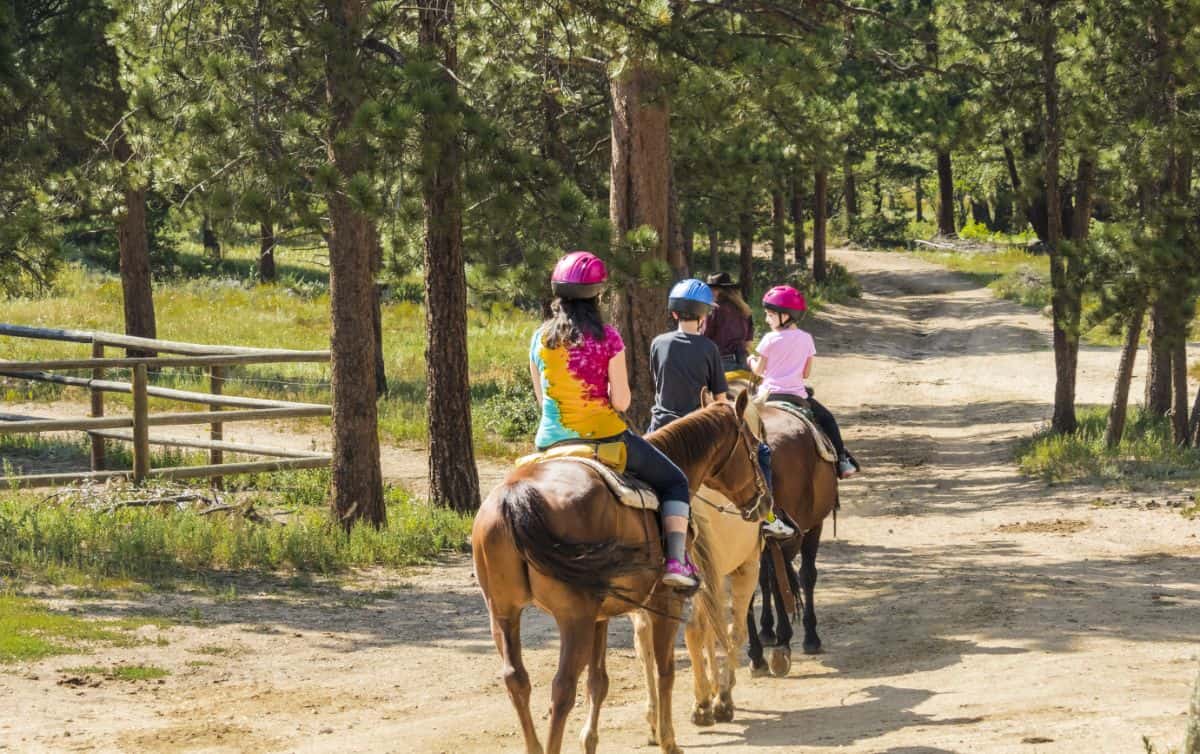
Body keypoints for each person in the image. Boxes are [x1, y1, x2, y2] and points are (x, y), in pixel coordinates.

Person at [529, 251, 699, 589]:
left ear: (557, 294)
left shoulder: (539, 338)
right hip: (603, 438)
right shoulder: (609, 339)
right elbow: (621, 401)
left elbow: (542, 397)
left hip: (549, 440)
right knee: (675, 481)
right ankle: (676, 561)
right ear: (598, 296)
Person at [750, 285, 858, 480]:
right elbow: (806, 373)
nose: (767, 319)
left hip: (767, 395)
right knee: (827, 419)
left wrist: (750, 361)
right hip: (797, 397)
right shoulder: (807, 339)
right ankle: (842, 460)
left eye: (770, 315)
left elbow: (759, 370)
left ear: (786, 315)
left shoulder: (769, 339)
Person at [648, 279, 729, 433]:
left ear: (674, 313)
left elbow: (657, 384)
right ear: (704, 316)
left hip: (661, 426)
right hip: (696, 428)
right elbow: (720, 399)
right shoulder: (709, 348)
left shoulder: (657, 343)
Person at [702, 272, 755, 373]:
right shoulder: (745, 309)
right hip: (744, 361)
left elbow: (704, 339)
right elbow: (748, 343)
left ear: (718, 291)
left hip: (721, 362)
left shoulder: (713, 309)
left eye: (710, 289)